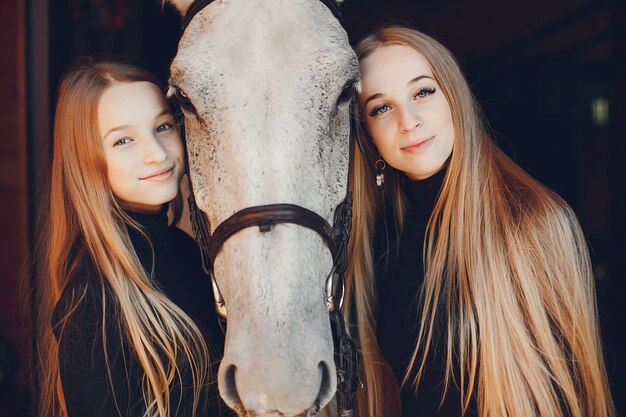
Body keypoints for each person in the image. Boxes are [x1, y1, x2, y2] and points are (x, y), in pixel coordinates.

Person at [346, 26, 615, 417]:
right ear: (368, 135)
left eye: (423, 91)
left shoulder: (536, 225)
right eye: (380, 108)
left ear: (454, 95)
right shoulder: (377, 243)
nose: (409, 120)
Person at [36, 58, 226, 417]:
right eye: (123, 140)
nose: (156, 154)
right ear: (87, 160)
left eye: (163, 126)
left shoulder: (189, 254)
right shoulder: (92, 303)